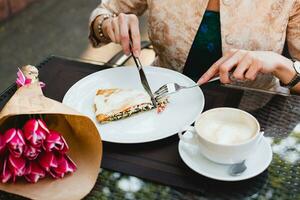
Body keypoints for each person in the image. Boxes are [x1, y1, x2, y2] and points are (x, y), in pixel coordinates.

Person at [89, 0, 300, 93]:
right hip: (163, 104)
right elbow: (105, 12)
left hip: (252, 117)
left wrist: (280, 64)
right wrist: (108, 25)